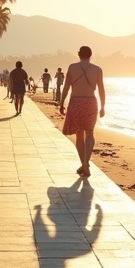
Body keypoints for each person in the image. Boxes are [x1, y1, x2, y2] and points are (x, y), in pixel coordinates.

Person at [59, 46, 106, 177]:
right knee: (90, 134)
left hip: (76, 103)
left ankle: (84, 165)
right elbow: (101, 89)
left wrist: (61, 103)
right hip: (91, 103)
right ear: (91, 55)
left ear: (78, 54)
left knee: (79, 135)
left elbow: (66, 87)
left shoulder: (72, 67)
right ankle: (85, 163)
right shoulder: (97, 69)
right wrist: (103, 106)